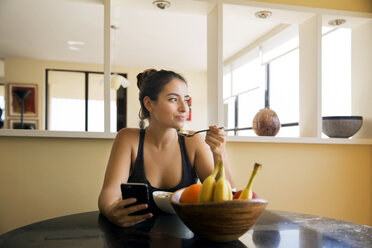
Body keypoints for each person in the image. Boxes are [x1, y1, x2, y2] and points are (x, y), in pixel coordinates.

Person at [98, 69, 234, 227]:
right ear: (149, 104)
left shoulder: (193, 142)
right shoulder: (128, 139)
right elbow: (109, 195)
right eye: (173, 99)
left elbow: (227, 199)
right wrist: (110, 210)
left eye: (186, 100)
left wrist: (220, 153)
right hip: (136, 237)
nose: (184, 108)